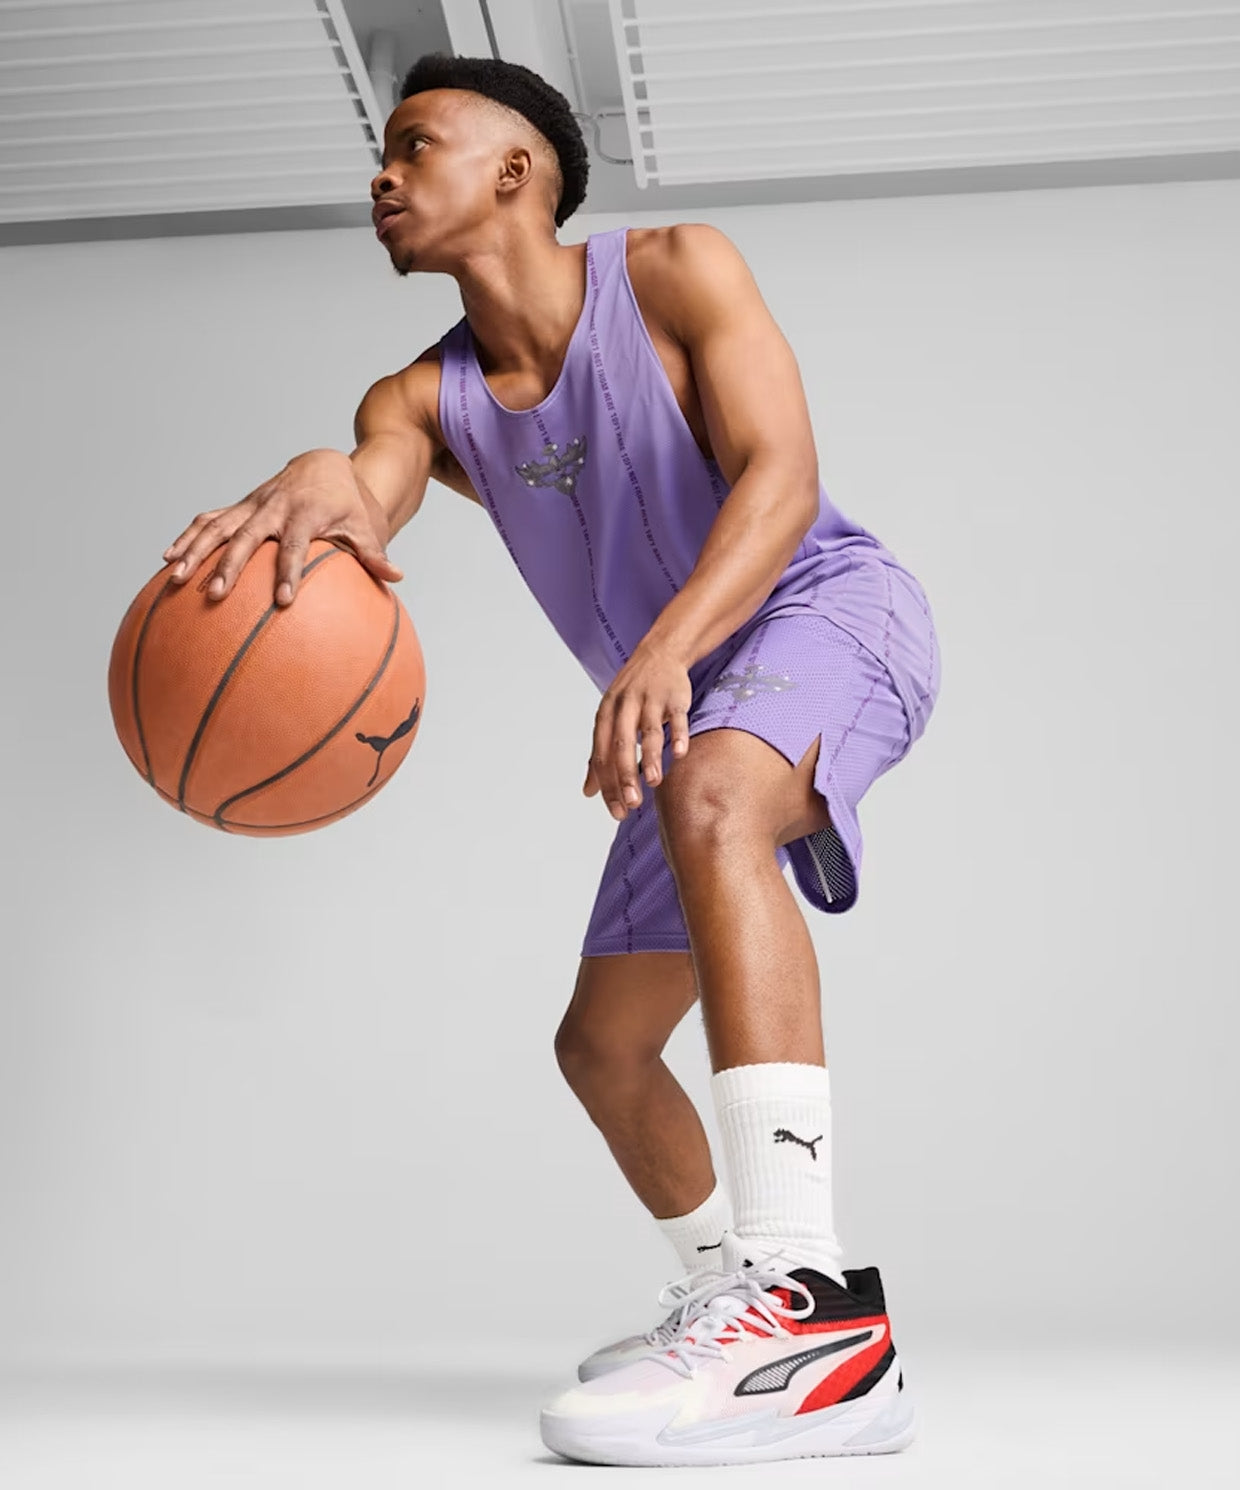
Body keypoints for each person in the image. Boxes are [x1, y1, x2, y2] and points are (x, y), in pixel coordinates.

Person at [160, 52, 940, 1468]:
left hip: (829, 609)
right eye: (381, 152)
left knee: (716, 797)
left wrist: (665, 651)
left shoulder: (676, 270)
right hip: (689, 706)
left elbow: (783, 478)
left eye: (415, 144)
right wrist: (329, 483)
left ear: (516, 171)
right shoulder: (420, 397)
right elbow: (373, 490)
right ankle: (728, 1292)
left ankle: (811, 1308)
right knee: (603, 1047)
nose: (382, 175)